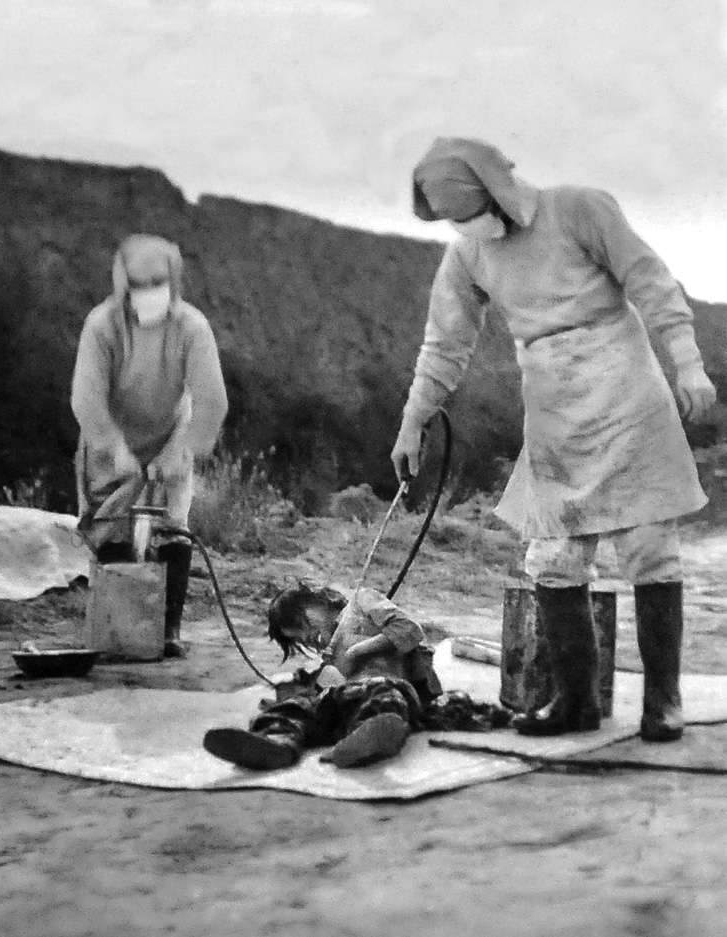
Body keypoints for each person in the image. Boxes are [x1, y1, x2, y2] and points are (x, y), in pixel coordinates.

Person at [394, 137, 716, 741]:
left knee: (648, 547)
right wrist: (414, 420)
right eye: (455, 220)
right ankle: (575, 701)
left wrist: (688, 361)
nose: (468, 226)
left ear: (496, 189)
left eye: (470, 211)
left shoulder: (580, 209)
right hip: (551, 403)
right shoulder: (468, 257)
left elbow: (649, 278)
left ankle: (663, 701)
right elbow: (445, 345)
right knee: (555, 557)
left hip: (624, 387)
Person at [71, 234, 228, 657]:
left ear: (173, 282)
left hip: (170, 434)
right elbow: (86, 397)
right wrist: (114, 448)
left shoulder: (192, 328)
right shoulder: (102, 326)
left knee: (171, 526)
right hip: (110, 437)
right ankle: (118, 627)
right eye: (140, 284)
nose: (150, 293)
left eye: (159, 282)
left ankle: (167, 630)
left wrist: (185, 451)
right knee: (111, 526)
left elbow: (211, 400)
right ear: (123, 285)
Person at [202, 583, 442, 770]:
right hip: (347, 700)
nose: (306, 638)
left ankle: (373, 736)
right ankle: (278, 744)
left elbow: (410, 630)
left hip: (386, 686)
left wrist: (356, 651)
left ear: (319, 600)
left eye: (301, 624)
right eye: (298, 639)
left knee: (383, 696)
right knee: (295, 708)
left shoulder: (361, 601)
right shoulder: (327, 653)